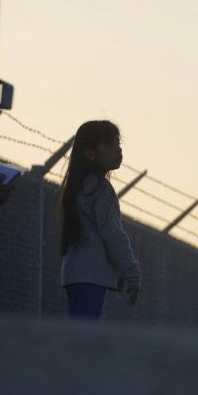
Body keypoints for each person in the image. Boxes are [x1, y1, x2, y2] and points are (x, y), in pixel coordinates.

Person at [59, 120, 142, 320]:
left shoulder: (76, 188)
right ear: (90, 154)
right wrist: (132, 272)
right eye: (110, 145)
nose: (118, 150)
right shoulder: (100, 190)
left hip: (74, 275)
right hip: (91, 278)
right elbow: (113, 235)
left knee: (79, 333)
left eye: (118, 144)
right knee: (84, 339)